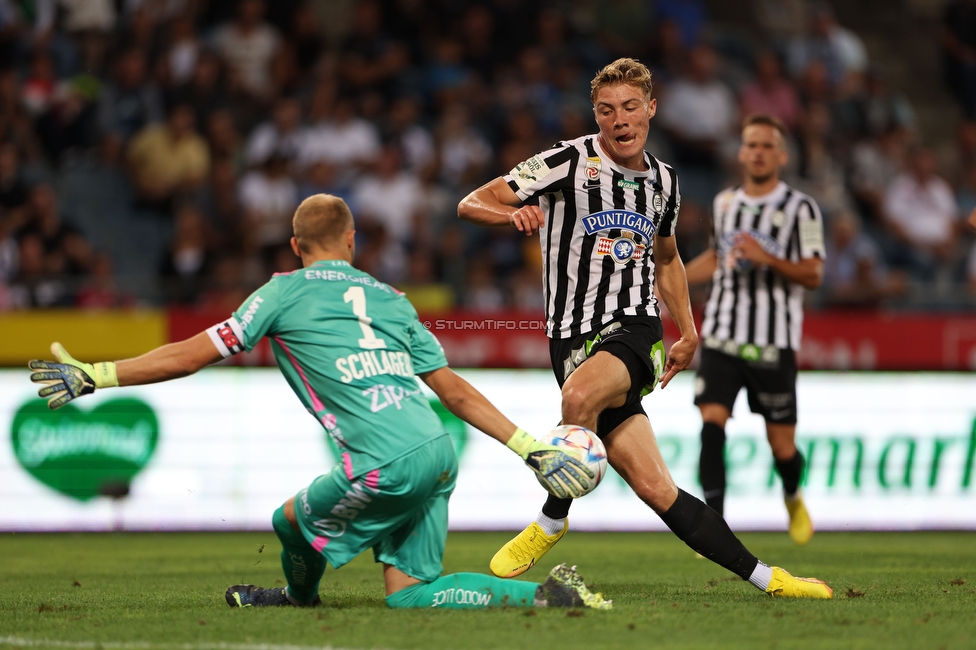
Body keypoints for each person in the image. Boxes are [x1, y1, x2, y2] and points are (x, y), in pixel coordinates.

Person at [27, 194, 612, 612]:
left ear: (295, 245)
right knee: (411, 595)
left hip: (384, 463)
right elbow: (452, 389)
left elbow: (191, 355)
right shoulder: (391, 297)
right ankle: (546, 594)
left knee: (288, 522)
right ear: (352, 242)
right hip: (438, 452)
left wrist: (98, 374)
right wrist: (529, 447)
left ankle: (295, 599)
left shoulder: (282, 290)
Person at [458, 58, 832, 599]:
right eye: (608, 110)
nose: (620, 120)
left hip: (635, 328)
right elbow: (473, 202)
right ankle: (771, 579)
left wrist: (686, 330)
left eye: (631, 107)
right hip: (569, 336)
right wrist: (509, 215)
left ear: (651, 110)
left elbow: (668, 258)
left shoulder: (664, 182)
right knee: (659, 490)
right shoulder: (566, 162)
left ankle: (551, 519)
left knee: (578, 395)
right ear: (597, 115)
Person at [684, 114, 825, 545]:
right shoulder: (725, 203)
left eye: (767, 146)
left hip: (773, 341)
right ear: (741, 152)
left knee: (782, 446)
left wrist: (768, 259)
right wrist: (668, 279)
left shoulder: (802, 208)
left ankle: (792, 493)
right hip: (723, 334)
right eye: (751, 145)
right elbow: (717, 256)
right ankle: (715, 526)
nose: (758, 152)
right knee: (712, 423)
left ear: (781, 155)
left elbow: (814, 273)